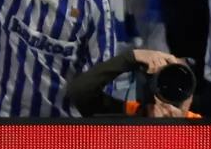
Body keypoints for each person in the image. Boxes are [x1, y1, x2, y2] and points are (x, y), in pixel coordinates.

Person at [67, 47, 201, 118]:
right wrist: (131, 58)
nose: (175, 89)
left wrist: (180, 133)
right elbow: (78, 92)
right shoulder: (130, 114)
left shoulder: (204, 130)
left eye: (183, 82)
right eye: (167, 79)